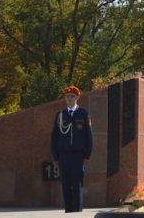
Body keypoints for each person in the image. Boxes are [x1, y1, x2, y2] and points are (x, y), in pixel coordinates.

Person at [51, 85, 93, 213]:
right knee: (65, 184)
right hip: (63, 155)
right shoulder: (60, 115)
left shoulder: (84, 113)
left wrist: (87, 154)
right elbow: (54, 137)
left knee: (77, 184)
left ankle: (77, 212)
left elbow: (89, 135)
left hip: (78, 155)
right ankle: (68, 211)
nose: (69, 99)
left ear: (77, 97)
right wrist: (55, 156)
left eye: (72, 96)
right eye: (67, 96)